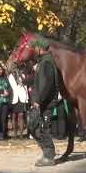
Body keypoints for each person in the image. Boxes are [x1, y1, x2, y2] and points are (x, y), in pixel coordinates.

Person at [27, 38, 61, 166]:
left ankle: (49, 156)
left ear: (40, 48)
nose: (33, 50)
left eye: (35, 48)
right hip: (41, 101)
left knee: (41, 128)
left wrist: (38, 100)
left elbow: (47, 84)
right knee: (34, 125)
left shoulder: (47, 63)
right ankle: (46, 152)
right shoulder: (44, 61)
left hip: (45, 102)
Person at [8, 69, 29, 140]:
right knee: (14, 116)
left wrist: (20, 76)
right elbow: (10, 87)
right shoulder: (10, 76)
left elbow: (25, 84)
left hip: (22, 98)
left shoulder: (23, 75)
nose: (15, 70)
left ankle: (21, 134)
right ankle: (15, 134)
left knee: (21, 115)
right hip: (14, 98)